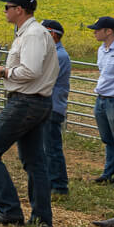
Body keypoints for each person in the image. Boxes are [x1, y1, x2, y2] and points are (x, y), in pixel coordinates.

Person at [0, 0, 58, 227]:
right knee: (35, 161)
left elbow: (31, 70)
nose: (4, 11)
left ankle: (10, 210)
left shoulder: (32, 34)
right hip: (38, 102)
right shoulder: (32, 33)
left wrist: (2, 72)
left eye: (7, 7)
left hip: (26, 102)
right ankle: (42, 219)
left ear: (19, 10)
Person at [41, 20, 72, 202]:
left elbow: (44, 78)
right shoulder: (54, 53)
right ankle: (53, 182)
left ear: (53, 35)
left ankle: (59, 185)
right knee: (48, 147)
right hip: (50, 105)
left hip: (52, 106)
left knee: (52, 147)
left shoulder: (59, 56)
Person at [91, 15, 114, 186]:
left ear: (108, 31)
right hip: (102, 99)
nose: (94, 32)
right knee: (108, 139)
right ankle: (108, 173)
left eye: (97, 29)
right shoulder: (101, 50)